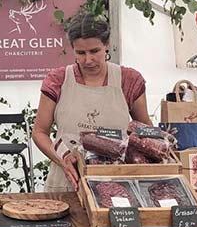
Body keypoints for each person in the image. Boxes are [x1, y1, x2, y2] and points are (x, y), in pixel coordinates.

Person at [32, 11, 152, 192]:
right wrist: (62, 159)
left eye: (94, 51)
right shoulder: (58, 80)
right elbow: (40, 132)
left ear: (106, 45)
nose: (88, 60)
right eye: (81, 53)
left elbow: (144, 131)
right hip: (67, 184)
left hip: (118, 186)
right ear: (72, 49)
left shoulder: (128, 80)